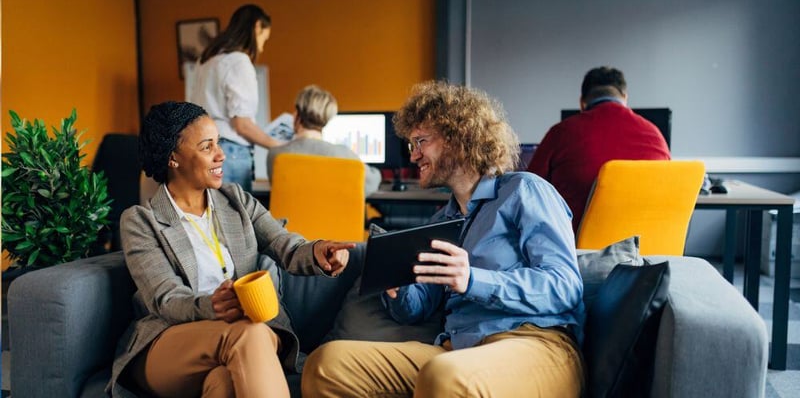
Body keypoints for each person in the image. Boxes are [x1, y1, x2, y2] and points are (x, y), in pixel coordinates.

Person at [302, 81, 585, 397]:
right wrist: (396, 287)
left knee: (443, 376)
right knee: (326, 365)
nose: (414, 156)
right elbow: (418, 308)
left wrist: (473, 279)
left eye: (421, 141)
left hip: (535, 343)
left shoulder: (523, 191)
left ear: (458, 137)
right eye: (411, 145)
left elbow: (564, 288)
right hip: (457, 350)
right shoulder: (441, 222)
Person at [106, 101, 355, 397]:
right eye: (207, 146)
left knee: (224, 382)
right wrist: (212, 305)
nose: (221, 154)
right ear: (173, 157)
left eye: (218, 143)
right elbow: (166, 299)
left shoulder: (235, 200)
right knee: (246, 334)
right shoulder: (141, 221)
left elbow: (284, 244)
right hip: (170, 344)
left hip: (250, 337)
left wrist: (317, 252)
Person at [527, 66, 670, 232]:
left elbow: (528, 191)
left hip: (579, 252)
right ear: (624, 97)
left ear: (582, 102)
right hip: (648, 251)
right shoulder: (655, 135)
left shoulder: (561, 133)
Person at [188, 4, 284, 193]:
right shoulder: (239, 61)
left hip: (204, 149)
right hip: (230, 153)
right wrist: (277, 145)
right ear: (257, 27)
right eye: (264, 38)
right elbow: (242, 124)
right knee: (235, 219)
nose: (262, 46)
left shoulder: (206, 61)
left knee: (213, 217)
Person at [267, 85, 382, 196]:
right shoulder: (344, 155)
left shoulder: (275, 155)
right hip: (335, 216)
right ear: (327, 118)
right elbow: (371, 182)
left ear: (297, 115)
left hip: (290, 216)